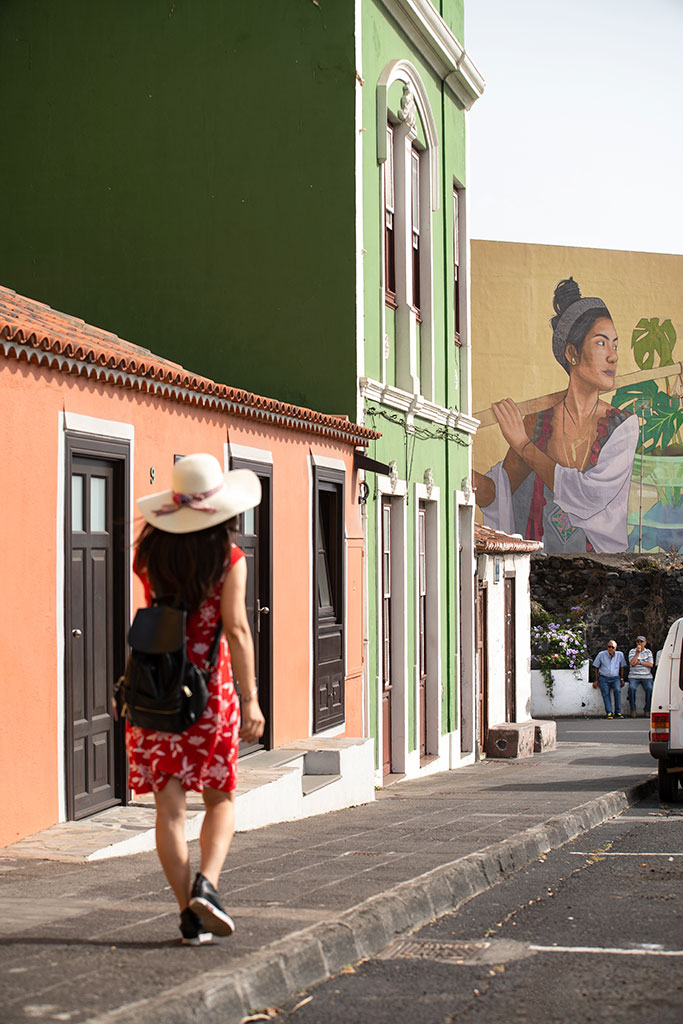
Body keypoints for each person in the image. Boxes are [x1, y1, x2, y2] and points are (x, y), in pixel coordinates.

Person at [125, 452, 265, 945]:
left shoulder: (148, 556)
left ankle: (189, 912)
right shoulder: (228, 559)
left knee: (170, 810)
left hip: (156, 694)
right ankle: (208, 884)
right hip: (208, 696)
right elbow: (238, 629)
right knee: (221, 797)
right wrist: (251, 699)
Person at [475, 278, 638, 553]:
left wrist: (524, 447)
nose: (613, 357)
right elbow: (498, 492)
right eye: (601, 343)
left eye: (615, 345)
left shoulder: (622, 427)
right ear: (572, 353)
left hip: (601, 574)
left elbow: (588, 496)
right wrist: (455, 470)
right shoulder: (536, 423)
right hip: (539, 574)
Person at [592, 640, 627, 719]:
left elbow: (622, 667)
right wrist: (596, 680)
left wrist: (621, 678)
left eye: (612, 647)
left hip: (615, 678)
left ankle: (618, 712)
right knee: (605, 694)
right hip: (604, 677)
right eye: (609, 647)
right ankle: (609, 712)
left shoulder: (620, 655)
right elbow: (596, 667)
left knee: (617, 691)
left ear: (615, 648)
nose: (610, 649)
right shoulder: (601, 654)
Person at [627, 634, 654, 717]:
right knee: (631, 689)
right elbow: (632, 663)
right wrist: (637, 653)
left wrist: (640, 662)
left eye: (641, 642)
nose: (639, 643)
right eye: (638, 642)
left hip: (646, 676)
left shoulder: (648, 652)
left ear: (645, 643)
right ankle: (633, 709)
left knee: (649, 689)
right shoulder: (632, 651)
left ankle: (647, 709)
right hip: (634, 676)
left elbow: (650, 664)